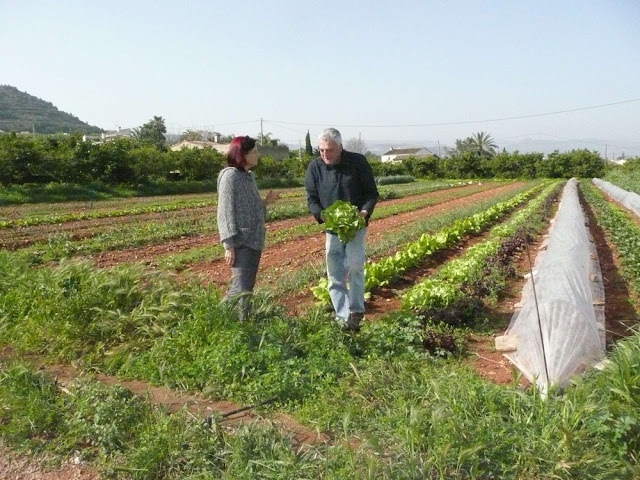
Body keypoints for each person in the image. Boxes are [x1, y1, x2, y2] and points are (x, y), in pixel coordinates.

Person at [305, 128, 379, 331]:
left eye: (329, 150)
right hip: (332, 229)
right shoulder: (315, 167)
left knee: (355, 267)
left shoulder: (358, 162)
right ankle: (342, 314)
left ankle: (356, 311)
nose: (325, 155)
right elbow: (311, 197)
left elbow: (371, 193)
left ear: (340, 147)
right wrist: (322, 215)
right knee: (335, 271)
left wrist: (363, 213)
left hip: (355, 227)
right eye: (321, 150)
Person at [217, 135, 278, 319]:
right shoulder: (230, 177)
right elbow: (224, 211)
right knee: (240, 289)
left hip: (254, 240)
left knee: (246, 288)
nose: (258, 154)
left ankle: (234, 320)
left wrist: (266, 202)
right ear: (242, 155)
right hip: (241, 241)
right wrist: (229, 245)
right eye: (254, 152)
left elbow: (252, 207)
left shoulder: (248, 176)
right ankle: (229, 320)